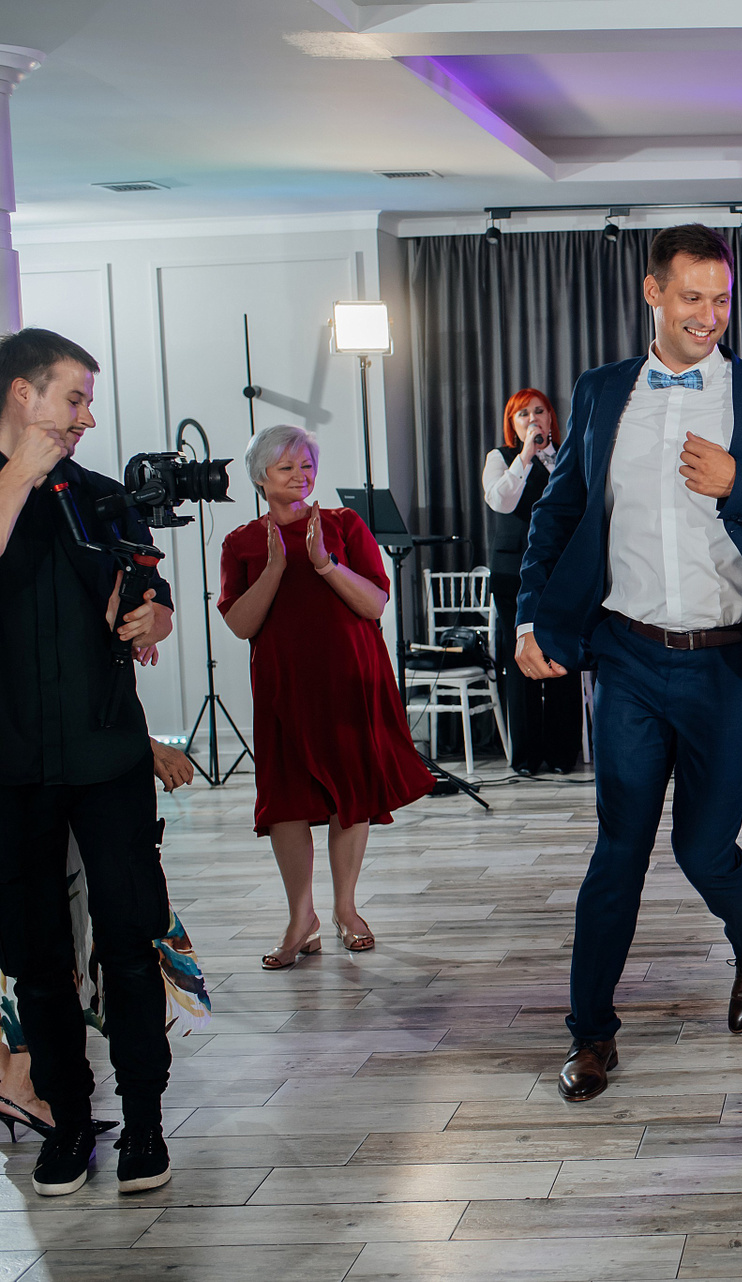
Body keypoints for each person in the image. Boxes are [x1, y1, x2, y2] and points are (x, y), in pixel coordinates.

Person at [519, 224, 742, 1103]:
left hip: (732, 662)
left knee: (704, 848)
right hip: (627, 654)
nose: (709, 316)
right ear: (653, 293)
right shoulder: (600, 393)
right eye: (692, 297)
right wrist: (530, 616)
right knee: (618, 852)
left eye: (722, 299)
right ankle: (590, 1034)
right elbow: (559, 514)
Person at [0, 328, 178, 1196]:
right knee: (38, 961)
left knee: (131, 943)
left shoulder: (101, 496)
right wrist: (17, 479)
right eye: (73, 399)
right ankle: (69, 1122)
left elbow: (152, 592)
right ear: (21, 393)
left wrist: (153, 616)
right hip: (11, 767)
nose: (87, 418)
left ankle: (143, 1122)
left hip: (108, 757)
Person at [219, 424, 433, 970]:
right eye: (287, 467)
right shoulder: (242, 542)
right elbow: (241, 625)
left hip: (348, 681)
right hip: (283, 688)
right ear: (261, 477)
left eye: (307, 465)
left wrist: (323, 563)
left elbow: (374, 604)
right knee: (286, 801)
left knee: (350, 795)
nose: (301, 475)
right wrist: (275, 568)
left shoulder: (343, 524)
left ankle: (345, 909)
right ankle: (302, 919)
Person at [0, 738, 212, 1143]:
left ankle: (31, 1085)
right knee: (38, 948)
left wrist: (137, 741)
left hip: (79, 759)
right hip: (32, 764)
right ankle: (26, 1087)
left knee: (108, 942)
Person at [482, 387, 582, 776]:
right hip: (513, 572)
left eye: (538, 411)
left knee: (561, 654)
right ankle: (526, 756)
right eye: (522, 413)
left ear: (551, 417)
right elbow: (501, 501)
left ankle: (562, 753)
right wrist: (525, 455)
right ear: (512, 423)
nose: (532, 419)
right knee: (520, 657)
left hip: (561, 570)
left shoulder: (568, 455)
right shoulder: (501, 457)